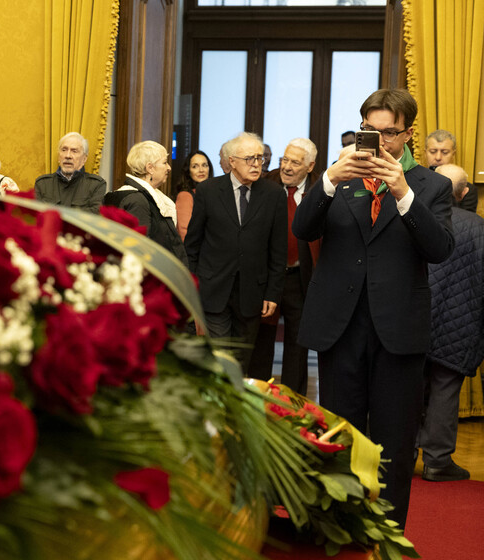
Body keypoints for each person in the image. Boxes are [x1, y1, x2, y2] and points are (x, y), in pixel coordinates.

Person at [292, 88, 454, 528]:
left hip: (398, 329)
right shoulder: (338, 177)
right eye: (370, 130)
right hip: (338, 326)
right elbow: (303, 228)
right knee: (340, 439)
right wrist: (326, 181)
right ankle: (340, 530)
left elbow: (439, 249)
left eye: (389, 133)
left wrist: (403, 193)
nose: (379, 141)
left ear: (407, 134)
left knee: (394, 446)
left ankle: (385, 534)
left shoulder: (432, 186)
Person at [184, 132, 287, 371]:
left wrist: (273, 293)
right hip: (213, 288)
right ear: (232, 161)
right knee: (219, 359)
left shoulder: (273, 195)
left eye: (259, 158)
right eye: (249, 158)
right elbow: (193, 244)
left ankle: (234, 405)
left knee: (241, 361)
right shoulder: (208, 191)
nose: (256, 164)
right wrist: (193, 284)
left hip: (253, 292)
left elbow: (278, 250)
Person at [416, 163, 484, 482]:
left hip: (414, 318)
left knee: (409, 388)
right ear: (464, 193)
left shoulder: (415, 218)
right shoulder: (479, 227)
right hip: (461, 324)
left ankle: (401, 452)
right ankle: (437, 460)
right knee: (445, 389)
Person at [247, 138, 320, 395]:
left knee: (297, 346)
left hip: (301, 278)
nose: (287, 167)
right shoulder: (266, 185)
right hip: (268, 278)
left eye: (295, 162)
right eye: (284, 160)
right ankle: (257, 398)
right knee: (262, 342)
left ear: (310, 166)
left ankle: (292, 404)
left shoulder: (320, 190)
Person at [103, 141, 187, 266]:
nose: (169, 167)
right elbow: (139, 250)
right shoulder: (137, 200)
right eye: (164, 162)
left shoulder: (141, 196)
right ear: (150, 168)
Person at [34, 132, 106, 213]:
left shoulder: (96, 185)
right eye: (64, 150)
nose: (68, 155)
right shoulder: (43, 184)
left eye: (74, 151)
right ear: (58, 156)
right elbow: (36, 216)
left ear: (84, 159)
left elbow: (94, 216)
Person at [424, 129, 478, 212]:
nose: (438, 157)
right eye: (433, 152)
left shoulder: (466, 189)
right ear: (425, 153)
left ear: (453, 154)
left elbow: (465, 221)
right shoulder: (416, 182)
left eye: (445, 152)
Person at [174, 150, 213, 240]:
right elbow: (185, 232)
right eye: (195, 166)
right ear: (188, 171)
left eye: (204, 165)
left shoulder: (214, 193)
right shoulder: (185, 196)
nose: (201, 170)